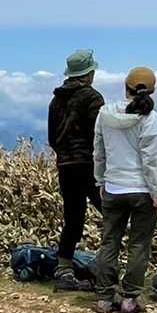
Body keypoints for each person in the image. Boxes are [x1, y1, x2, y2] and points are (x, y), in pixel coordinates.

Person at [92, 67, 157, 313]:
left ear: (126, 87)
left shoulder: (105, 113)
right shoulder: (149, 117)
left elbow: (99, 151)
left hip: (113, 187)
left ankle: (104, 298)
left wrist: (100, 181)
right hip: (142, 190)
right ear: (152, 90)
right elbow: (150, 160)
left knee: (109, 241)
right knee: (139, 244)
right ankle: (129, 299)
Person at [47, 48, 104, 291]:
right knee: (111, 213)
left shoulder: (55, 100)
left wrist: (64, 154)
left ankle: (64, 269)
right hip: (90, 165)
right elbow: (99, 135)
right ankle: (104, 266)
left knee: (73, 217)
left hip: (65, 165)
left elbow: (52, 138)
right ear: (89, 74)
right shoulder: (93, 98)